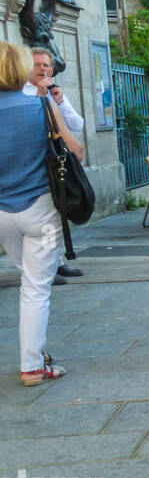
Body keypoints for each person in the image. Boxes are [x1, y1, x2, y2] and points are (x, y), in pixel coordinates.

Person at [0, 42, 82, 385]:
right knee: (36, 288)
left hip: (3, 214)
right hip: (40, 210)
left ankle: (37, 356)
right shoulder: (42, 104)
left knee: (27, 280)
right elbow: (75, 150)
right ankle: (32, 364)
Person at [23, 47, 85, 284]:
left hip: (56, 161)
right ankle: (41, 267)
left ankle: (56, 262)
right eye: (38, 65)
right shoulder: (22, 94)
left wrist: (59, 101)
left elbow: (76, 125)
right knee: (39, 219)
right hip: (34, 164)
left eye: (46, 65)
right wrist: (40, 97)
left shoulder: (53, 92)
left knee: (54, 215)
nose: (43, 69)